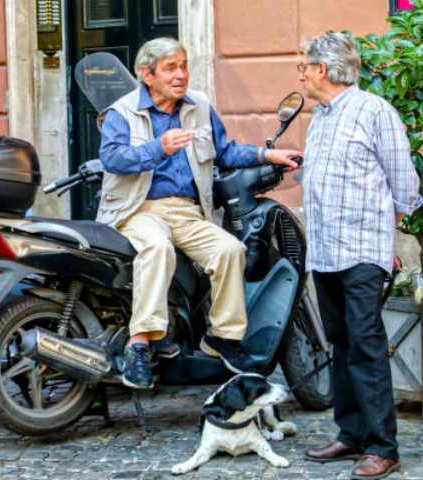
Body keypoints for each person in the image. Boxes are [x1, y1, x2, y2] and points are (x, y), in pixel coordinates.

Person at [98, 37, 301, 389]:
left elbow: (224, 151)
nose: (180, 75)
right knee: (157, 247)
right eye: (170, 68)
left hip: (190, 212)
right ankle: (140, 343)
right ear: (147, 74)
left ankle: (220, 338)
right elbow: (112, 159)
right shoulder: (122, 112)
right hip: (139, 209)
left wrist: (268, 156)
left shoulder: (199, 106)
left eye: (184, 65)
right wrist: (156, 149)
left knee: (229, 251)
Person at [297, 32, 422, 479]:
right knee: (342, 341)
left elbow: (403, 180)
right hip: (326, 250)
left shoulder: (374, 111)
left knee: (366, 345)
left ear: (324, 70)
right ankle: (350, 434)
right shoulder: (321, 116)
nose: (302, 74)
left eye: (304, 67)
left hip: (363, 250)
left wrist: (392, 238)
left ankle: (382, 447)